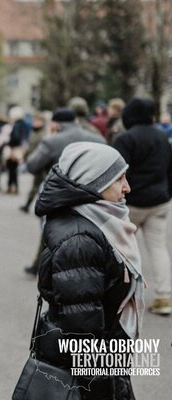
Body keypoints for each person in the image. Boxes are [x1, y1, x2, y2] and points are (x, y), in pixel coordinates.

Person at [33, 142, 144, 399]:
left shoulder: (94, 221)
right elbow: (81, 329)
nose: (127, 187)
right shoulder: (81, 237)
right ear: (94, 182)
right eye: (119, 179)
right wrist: (103, 388)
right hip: (91, 370)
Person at [22, 108, 105, 276]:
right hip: (91, 194)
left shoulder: (52, 142)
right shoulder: (98, 139)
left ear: (55, 124)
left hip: (59, 195)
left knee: (51, 230)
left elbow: (32, 166)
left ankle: (44, 268)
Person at [112, 97, 172, 316]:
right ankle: (164, 297)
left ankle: (122, 296)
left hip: (131, 203)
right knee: (158, 249)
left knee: (122, 249)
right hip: (159, 201)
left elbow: (115, 172)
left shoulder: (125, 139)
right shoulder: (163, 137)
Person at [0, 106, 27, 194]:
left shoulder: (17, 124)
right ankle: (14, 187)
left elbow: (15, 137)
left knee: (11, 169)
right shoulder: (23, 124)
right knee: (13, 169)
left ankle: (11, 187)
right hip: (17, 148)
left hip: (13, 149)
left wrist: (8, 144)